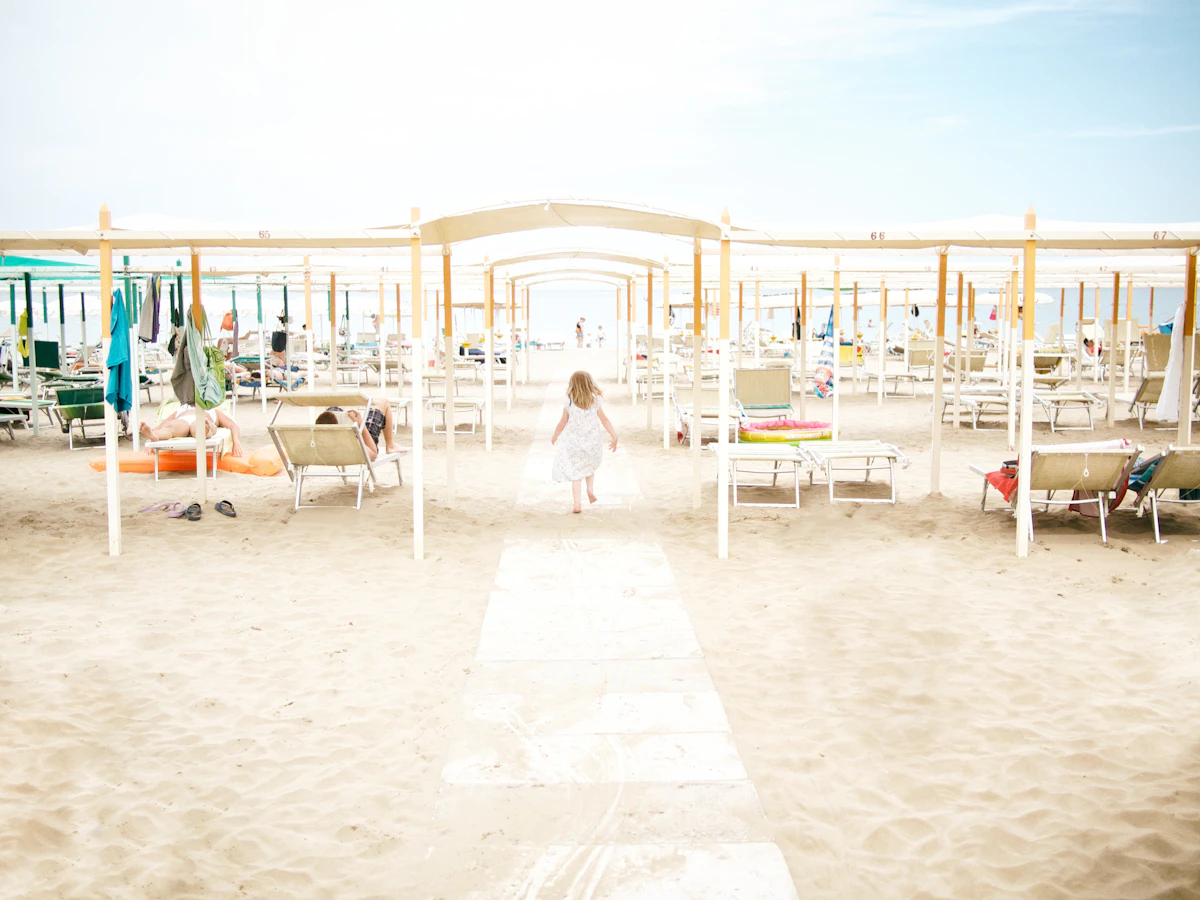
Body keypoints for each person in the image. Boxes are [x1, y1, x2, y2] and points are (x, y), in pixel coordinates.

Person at [550, 370, 618, 514]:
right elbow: (604, 419)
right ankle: (590, 489)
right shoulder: (595, 400)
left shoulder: (569, 400)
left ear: (573, 384)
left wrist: (555, 435)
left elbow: (562, 422)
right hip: (591, 442)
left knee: (576, 475)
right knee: (589, 467)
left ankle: (577, 504)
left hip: (573, 443)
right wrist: (614, 435)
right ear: (589, 384)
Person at [140, 404, 245, 458]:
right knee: (170, 427)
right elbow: (162, 425)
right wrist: (151, 440)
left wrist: (236, 442)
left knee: (201, 427)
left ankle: (205, 429)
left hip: (202, 420)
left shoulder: (212, 409)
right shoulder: (182, 408)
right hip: (183, 420)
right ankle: (154, 436)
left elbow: (232, 425)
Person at [315, 399, 400, 460]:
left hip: (332, 446)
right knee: (382, 401)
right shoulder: (353, 443)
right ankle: (390, 446)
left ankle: (337, 418)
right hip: (362, 444)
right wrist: (361, 425)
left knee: (335, 402)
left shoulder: (314, 445)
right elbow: (373, 454)